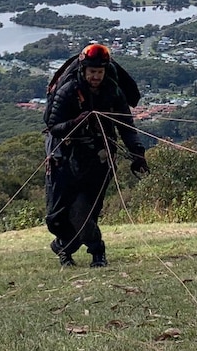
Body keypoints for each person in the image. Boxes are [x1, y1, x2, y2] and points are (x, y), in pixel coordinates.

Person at [44, 43, 149, 268]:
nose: (96, 77)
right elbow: (53, 126)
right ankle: (64, 246)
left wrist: (138, 154)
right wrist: (76, 122)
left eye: (99, 72)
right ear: (83, 70)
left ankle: (97, 252)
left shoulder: (113, 91)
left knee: (85, 210)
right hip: (65, 157)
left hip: (98, 158)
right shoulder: (68, 90)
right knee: (57, 216)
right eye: (92, 72)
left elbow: (126, 126)